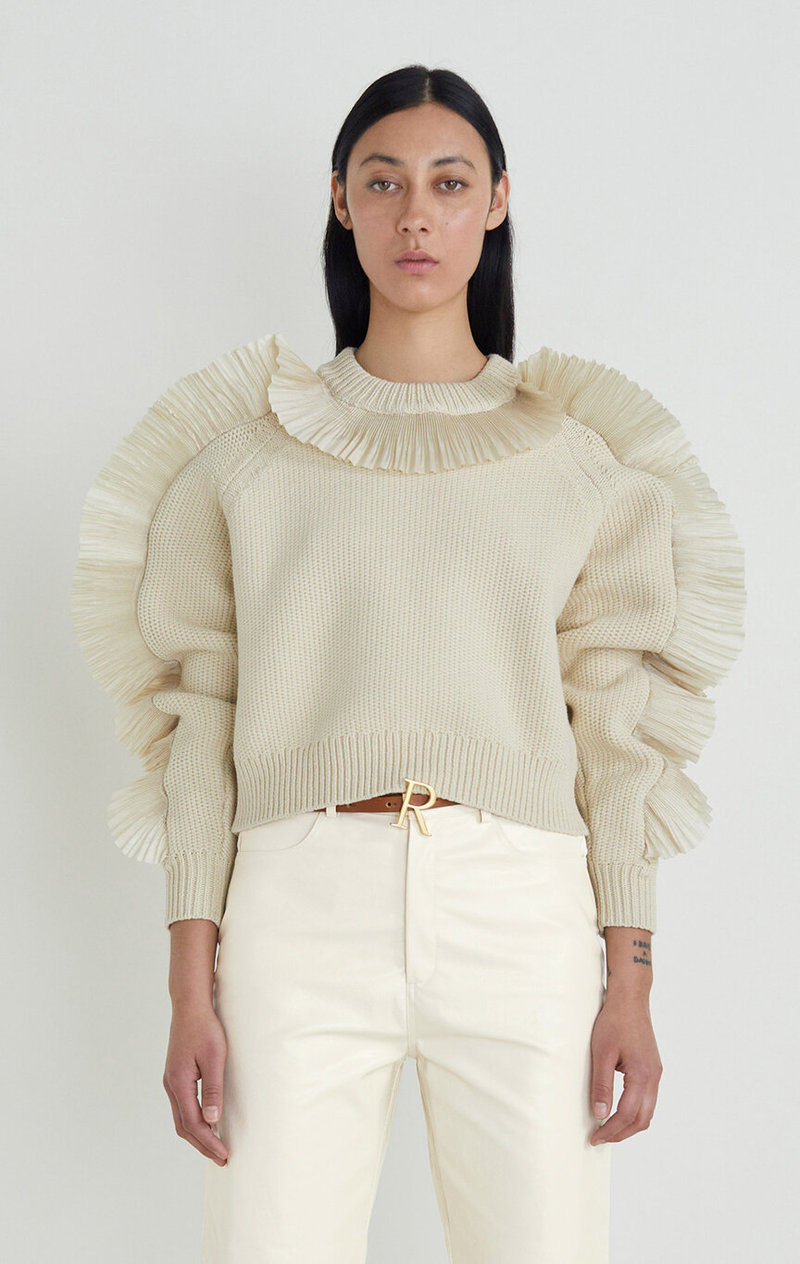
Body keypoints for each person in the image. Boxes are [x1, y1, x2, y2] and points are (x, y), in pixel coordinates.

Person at [71, 64, 746, 1264]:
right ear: (340, 202)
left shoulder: (572, 459)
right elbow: (198, 721)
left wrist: (629, 981)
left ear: (496, 202)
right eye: (382, 183)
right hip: (295, 903)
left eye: (448, 183)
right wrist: (189, 985)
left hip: (520, 906)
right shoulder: (247, 460)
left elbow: (614, 731)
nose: (415, 215)